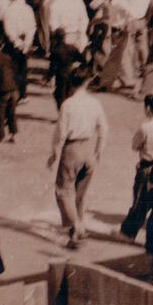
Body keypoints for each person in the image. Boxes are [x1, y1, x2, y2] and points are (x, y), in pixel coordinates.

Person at [47, 70, 108, 249]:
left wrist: (54, 154)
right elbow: (104, 128)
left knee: (63, 191)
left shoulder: (68, 105)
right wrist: (98, 151)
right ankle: (78, 225)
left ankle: (75, 226)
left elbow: (61, 134)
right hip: (89, 147)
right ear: (86, 82)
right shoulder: (95, 103)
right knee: (80, 194)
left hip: (72, 149)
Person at [120, 95, 153, 240]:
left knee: (140, 202)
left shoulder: (146, 127)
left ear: (148, 108)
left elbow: (134, 145)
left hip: (148, 168)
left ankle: (128, 233)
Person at [0, 37, 18, 144]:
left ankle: (0, 137)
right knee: (11, 113)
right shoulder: (7, 57)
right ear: (2, 46)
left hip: (2, 91)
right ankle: (13, 135)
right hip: (12, 88)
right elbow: (13, 70)